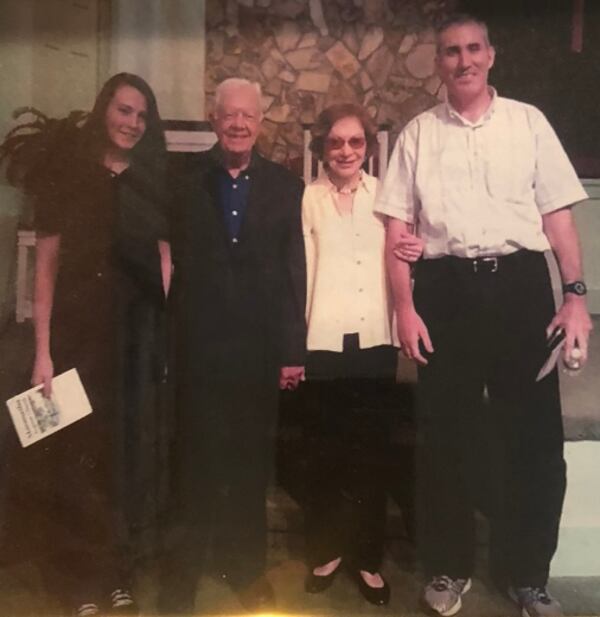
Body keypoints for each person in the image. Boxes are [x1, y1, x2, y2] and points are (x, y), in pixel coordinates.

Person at [376, 13, 592, 617]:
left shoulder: (529, 123)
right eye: (451, 51)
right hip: (445, 290)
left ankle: (528, 575)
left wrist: (574, 296)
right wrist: (404, 307)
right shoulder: (418, 134)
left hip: (521, 288)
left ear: (491, 55)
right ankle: (448, 568)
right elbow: (398, 228)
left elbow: (557, 218)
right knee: (445, 437)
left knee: (535, 439)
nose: (463, 60)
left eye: (473, 49)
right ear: (438, 61)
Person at [157, 77, 306, 614]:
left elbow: (295, 274)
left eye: (248, 115)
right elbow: (166, 259)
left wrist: (292, 350)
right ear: (214, 119)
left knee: (249, 467)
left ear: (260, 122)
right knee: (193, 464)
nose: (238, 124)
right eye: (229, 115)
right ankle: (180, 577)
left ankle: (244, 570)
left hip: (258, 353)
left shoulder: (288, 188)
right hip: (198, 347)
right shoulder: (183, 178)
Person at [29, 72, 171, 617]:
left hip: (134, 339)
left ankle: (118, 575)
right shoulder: (64, 172)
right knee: (75, 458)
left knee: (125, 457)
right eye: (124, 110)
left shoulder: (153, 179)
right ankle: (82, 583)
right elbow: (44, 268)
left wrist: (161, 338)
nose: (132, 123)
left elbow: (164, 261)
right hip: (74, 337)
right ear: (103, 109)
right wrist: (43, 351)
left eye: (141, 115)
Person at [300, 103, 422, 606]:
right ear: (323, 149)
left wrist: (417, 249)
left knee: (371, 451)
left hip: (375, 337)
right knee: (327, 450)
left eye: (355, 142)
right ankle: (328, 549)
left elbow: (410, 250)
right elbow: (299, 268)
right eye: (336, 142)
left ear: (368, 148)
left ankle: (368, 558)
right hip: (323, 339)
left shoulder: (388, 200)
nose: (346, 151)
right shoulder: (307, 199)